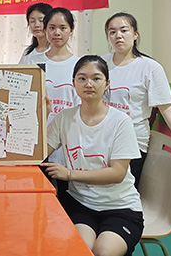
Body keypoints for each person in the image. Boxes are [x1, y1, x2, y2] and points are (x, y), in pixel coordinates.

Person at [41, 55, 143, 256]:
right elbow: (39, 153)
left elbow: (117, 173)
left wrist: (69, 174)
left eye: (96, 78)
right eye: (82, 78)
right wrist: (42, 116)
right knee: (82, 250)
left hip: (120, 207)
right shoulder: (65, 117)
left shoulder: (121, 122)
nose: (89, 84)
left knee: (103, 252)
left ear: (107, 84)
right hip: (80, 204)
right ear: (73, 83)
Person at [102, 12, 171, 185]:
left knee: (123, 191)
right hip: (101, 139)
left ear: (135, 34)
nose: (118, 36)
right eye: (112, 32)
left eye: (124, 30)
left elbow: (165, 107)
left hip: (133, 142)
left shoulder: (150, 67)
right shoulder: (101, 64)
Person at [27, 7, 80, 166]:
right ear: (45, 30)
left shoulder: (79, 64)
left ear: (71, 30)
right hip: (39, 135)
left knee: (65, 179)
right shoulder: (33, 62)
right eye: (52, 28)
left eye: (63, 28)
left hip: (69, 135)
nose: (57, 33)